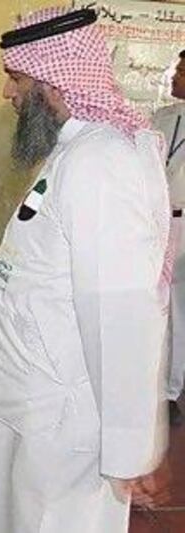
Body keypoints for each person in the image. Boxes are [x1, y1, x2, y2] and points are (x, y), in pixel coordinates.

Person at [0, 7, 171, 532]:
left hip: (59, 423)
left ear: (52, 83)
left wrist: (130, 450)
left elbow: (122, 313)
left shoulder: (101, 164)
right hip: (20, 399)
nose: (6, 93)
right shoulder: (74, 152)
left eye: (16, 78)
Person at [152, 50, 185, 426]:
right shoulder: (161, 118)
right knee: (165, 306)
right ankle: (162, 389)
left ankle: (172, 388)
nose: (174, 75)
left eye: (181, 70)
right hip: (160, 222)